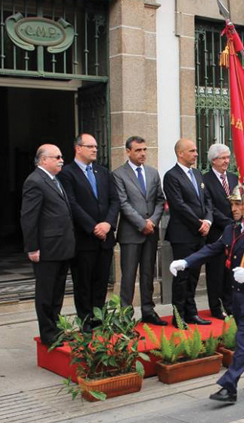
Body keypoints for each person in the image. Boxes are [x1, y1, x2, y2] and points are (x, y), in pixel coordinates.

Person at [169, 187, 244, 403]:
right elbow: (213, 249)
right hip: (237, 294)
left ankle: (229, 385)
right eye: (232, 204)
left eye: (238, 204)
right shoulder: (233, 229)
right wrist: (186, 262)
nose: (233, 208)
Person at [58, 134, 119, 332]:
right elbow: (72, 204)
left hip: (105, 239)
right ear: (78, 148)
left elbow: (114, 200)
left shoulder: (103, 172)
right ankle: (85, 322)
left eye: (96, 146)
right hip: (84, 239)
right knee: (83, 283)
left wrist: (108, 224)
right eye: (90, 146)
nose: (95, 149)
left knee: (101, 282)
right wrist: (94, 227)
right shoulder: (67, 173)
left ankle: (99, 320)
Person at [20, 144, 76, 346]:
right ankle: (47, 333)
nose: (62, 160)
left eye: (61, 156)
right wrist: (32, 247)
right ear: (43, 160)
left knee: (58, 291)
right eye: (57, 157)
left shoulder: (54, 179)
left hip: (61, 247)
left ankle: (56, 328)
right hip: (47, 249)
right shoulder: (35, 181)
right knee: (46, 293)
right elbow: (29, 217)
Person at [112, 136, 167, 325]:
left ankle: (148, 310)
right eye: (138, 150)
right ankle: (125, 314)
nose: (142, 153)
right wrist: (141, 223)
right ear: (128, 151)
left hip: (150, 233)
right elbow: (123, 203)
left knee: (148, 274)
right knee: (128, 276)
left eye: (144, 149)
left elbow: (160, 200)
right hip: (130, 233)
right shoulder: (119, 174)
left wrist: (152, 221)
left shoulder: (152, 173)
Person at [163, 138, 214, 327]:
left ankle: (192, 313)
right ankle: (179, 316)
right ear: (180, 153)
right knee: (182, 276)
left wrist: (208, 221)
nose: (196, 154)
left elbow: (207, 200)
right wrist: (198, 223)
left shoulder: (198, 174)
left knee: (194, 275)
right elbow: (178, 205)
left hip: (200, 233)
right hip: (183, 234)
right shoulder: (172, 176)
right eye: (192, 151)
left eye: (195, 150)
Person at [202, 144, 239, 319]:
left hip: (233, 233)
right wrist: (229, 222)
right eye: (223, 158)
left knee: (230, 271)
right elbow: (209, 207)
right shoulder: (205, 180)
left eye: (228, 157)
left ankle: (230, 305)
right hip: (217, 232)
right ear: (214, 160)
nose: (226, 161)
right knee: (215, 272)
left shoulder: (233, 178)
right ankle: (216, 307)